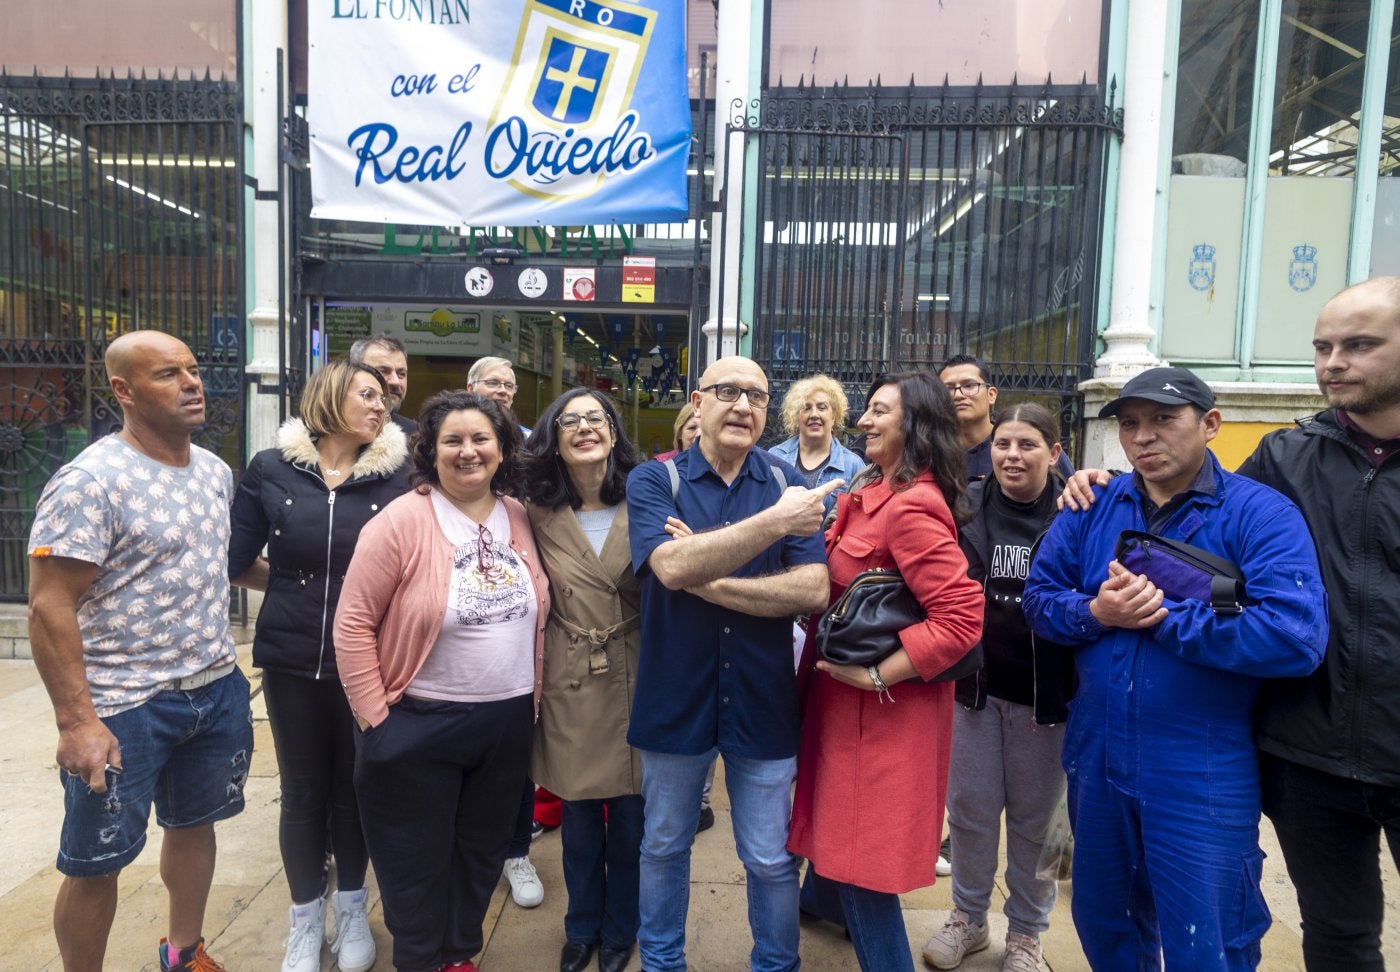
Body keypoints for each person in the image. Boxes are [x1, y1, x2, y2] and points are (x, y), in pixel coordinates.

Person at [1061, 279, 1400, 969]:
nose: (1333, 362)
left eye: (1359, 344)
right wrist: (1092, 492)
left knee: (1213, 931)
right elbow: (1194, 518)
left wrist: (1157, 617)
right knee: (1339, 935)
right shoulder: (1287, 458)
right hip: (1314, 751)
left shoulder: (1264, 492)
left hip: (1308, 738)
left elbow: (1285, 627)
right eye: (1322, 346)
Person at [1021, 366, 1329, 970]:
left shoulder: (1260, 515)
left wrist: (1165, 619)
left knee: (1208, 937)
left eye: (1164, 419)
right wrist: (1096, 612)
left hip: (1201, 766)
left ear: (1210, 423)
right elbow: (1039, 600)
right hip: (1097, 756)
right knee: (1105, 924)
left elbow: (1295, 637)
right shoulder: (1092, 504)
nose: (1144, 437)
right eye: (1131, 424)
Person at [27, 330, 253, 972]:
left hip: (213, 689)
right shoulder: (89, 482)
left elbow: (213, 564)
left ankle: (184, 951)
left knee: (195, 825)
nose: (191, 382)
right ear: (123, 390)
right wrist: (76, 721)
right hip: (124, 707)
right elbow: (49, 606)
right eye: (167, 374)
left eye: (192, 368)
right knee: (96, 861)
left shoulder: (213, 471)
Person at [626, 355, 837, 972]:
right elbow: (666, 567)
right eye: (728, 392)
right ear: (698, 400)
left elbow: (811, 592)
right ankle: (663, 963)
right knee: (664, 845)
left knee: (770, 856)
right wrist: (771, 528)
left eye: (758, 396)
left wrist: (699, 572)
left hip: (760, 698)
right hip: (675, 697)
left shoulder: (783, 482)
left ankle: (776, 964)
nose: (743, 406)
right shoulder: (654, 480)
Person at [333, 391, 549, 972]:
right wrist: (375, 719)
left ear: (503, 449)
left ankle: (458, 953)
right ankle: (421, 958)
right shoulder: (402, 521)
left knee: (481, 851)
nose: (468, 451)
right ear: (431, 451)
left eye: (481, 438)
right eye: (452, 440)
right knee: (413, 859)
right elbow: (352, 624)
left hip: (504, 723)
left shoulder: (521, 518)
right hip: (416, 722)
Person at [787, 371, 984, 972]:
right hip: (845, 706)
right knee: (836, 836)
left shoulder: (913, 505)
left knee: (861, 863)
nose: (864, 421)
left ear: (914, 425)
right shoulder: (871, 488)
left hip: (879, 716)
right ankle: (819, 901)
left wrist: (879, 677)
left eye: (879, 411)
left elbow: (960, 618)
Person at [228, 360, 410, 972]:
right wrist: (288, 589)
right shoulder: (271, 469)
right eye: (368, 393)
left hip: (368, 662)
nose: (381, 404)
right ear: (330, 398)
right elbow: (237, 558)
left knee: (355, 788)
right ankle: (306, 918)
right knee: (303, 791)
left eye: (385, 397)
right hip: (289, 658)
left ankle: (353, 906)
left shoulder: (401, 474)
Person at [922, 402, 1076, 972]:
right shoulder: (965, 509)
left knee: (1039, 827)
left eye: (1028, 445)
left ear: (1054, 453)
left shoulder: (1077, 510)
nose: (1013, 455)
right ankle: (968, 918)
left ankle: (1027, 935)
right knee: (969, 813)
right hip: (974, 692)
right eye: (1004, 444)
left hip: (1047, 700)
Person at [522, 389, 646, 972]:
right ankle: (580, 928)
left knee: (629, 817)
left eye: (595, 417)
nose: (584, 428)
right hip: (572, 675)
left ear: (614, 432)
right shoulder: (534, 511)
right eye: (568, 421)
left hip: (636, 669)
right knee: (576, 819)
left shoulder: (647, 496)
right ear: (554, 440)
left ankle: (622, 930)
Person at [465, 353, 550, 904]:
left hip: (519, 649)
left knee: (518, 760)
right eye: (492, 382)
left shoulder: (528, 448)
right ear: (470, 386)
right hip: (452, 657)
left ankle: (517, 852)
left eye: (509, 384)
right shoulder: (449, 442)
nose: (502, 390)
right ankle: (467, 856)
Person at [939, 354, 1074, 480]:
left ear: (991, 395)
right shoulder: (932, 451)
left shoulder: (1032, 448)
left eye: (969, 385)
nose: (958, 395)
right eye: (948, 389)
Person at [769, 374, 865, 513]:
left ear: (834, 416)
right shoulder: (774, 457)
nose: (814, 414)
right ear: (796, 417)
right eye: (806, 408)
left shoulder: (853, 465)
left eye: (822, 407)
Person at [350, 333, 415, 434]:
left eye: (401, 374)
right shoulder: (327, 433)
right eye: (383, 371)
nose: (395, 382)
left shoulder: (415, 436)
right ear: (354, 373)